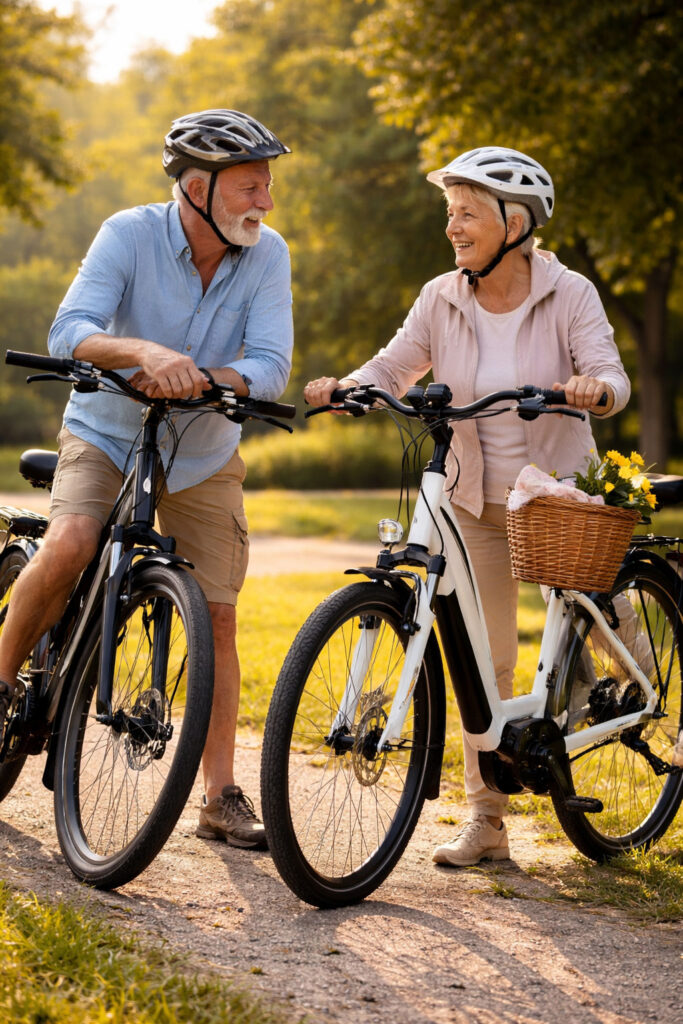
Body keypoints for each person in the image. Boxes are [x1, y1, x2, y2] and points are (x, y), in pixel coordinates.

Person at [303, 146, 630, 868]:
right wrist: (351, 386)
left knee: (607, 629)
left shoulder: (567, 292)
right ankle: (487, 822)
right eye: (449, 213)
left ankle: (650, 700)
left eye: (467, 214)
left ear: (515, 222)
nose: (452, 228)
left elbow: (609, 372)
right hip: (474, 498)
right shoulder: (440, 295)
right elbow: (395, 363)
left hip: (554, 498)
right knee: (486, 666)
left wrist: (592, 390)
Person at [0, 109, 294, 850]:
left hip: (202, 452)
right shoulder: (128, 233)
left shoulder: (268, 255)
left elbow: (270, 363)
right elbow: (70, 330)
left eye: (266, 186)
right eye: (249, 187)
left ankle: (220, 795)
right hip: (105, 430)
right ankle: (1, 681)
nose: (264, 201)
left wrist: (206, 378)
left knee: (218, 614)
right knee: (67, 544)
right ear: (197, 189)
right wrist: (143, 353)